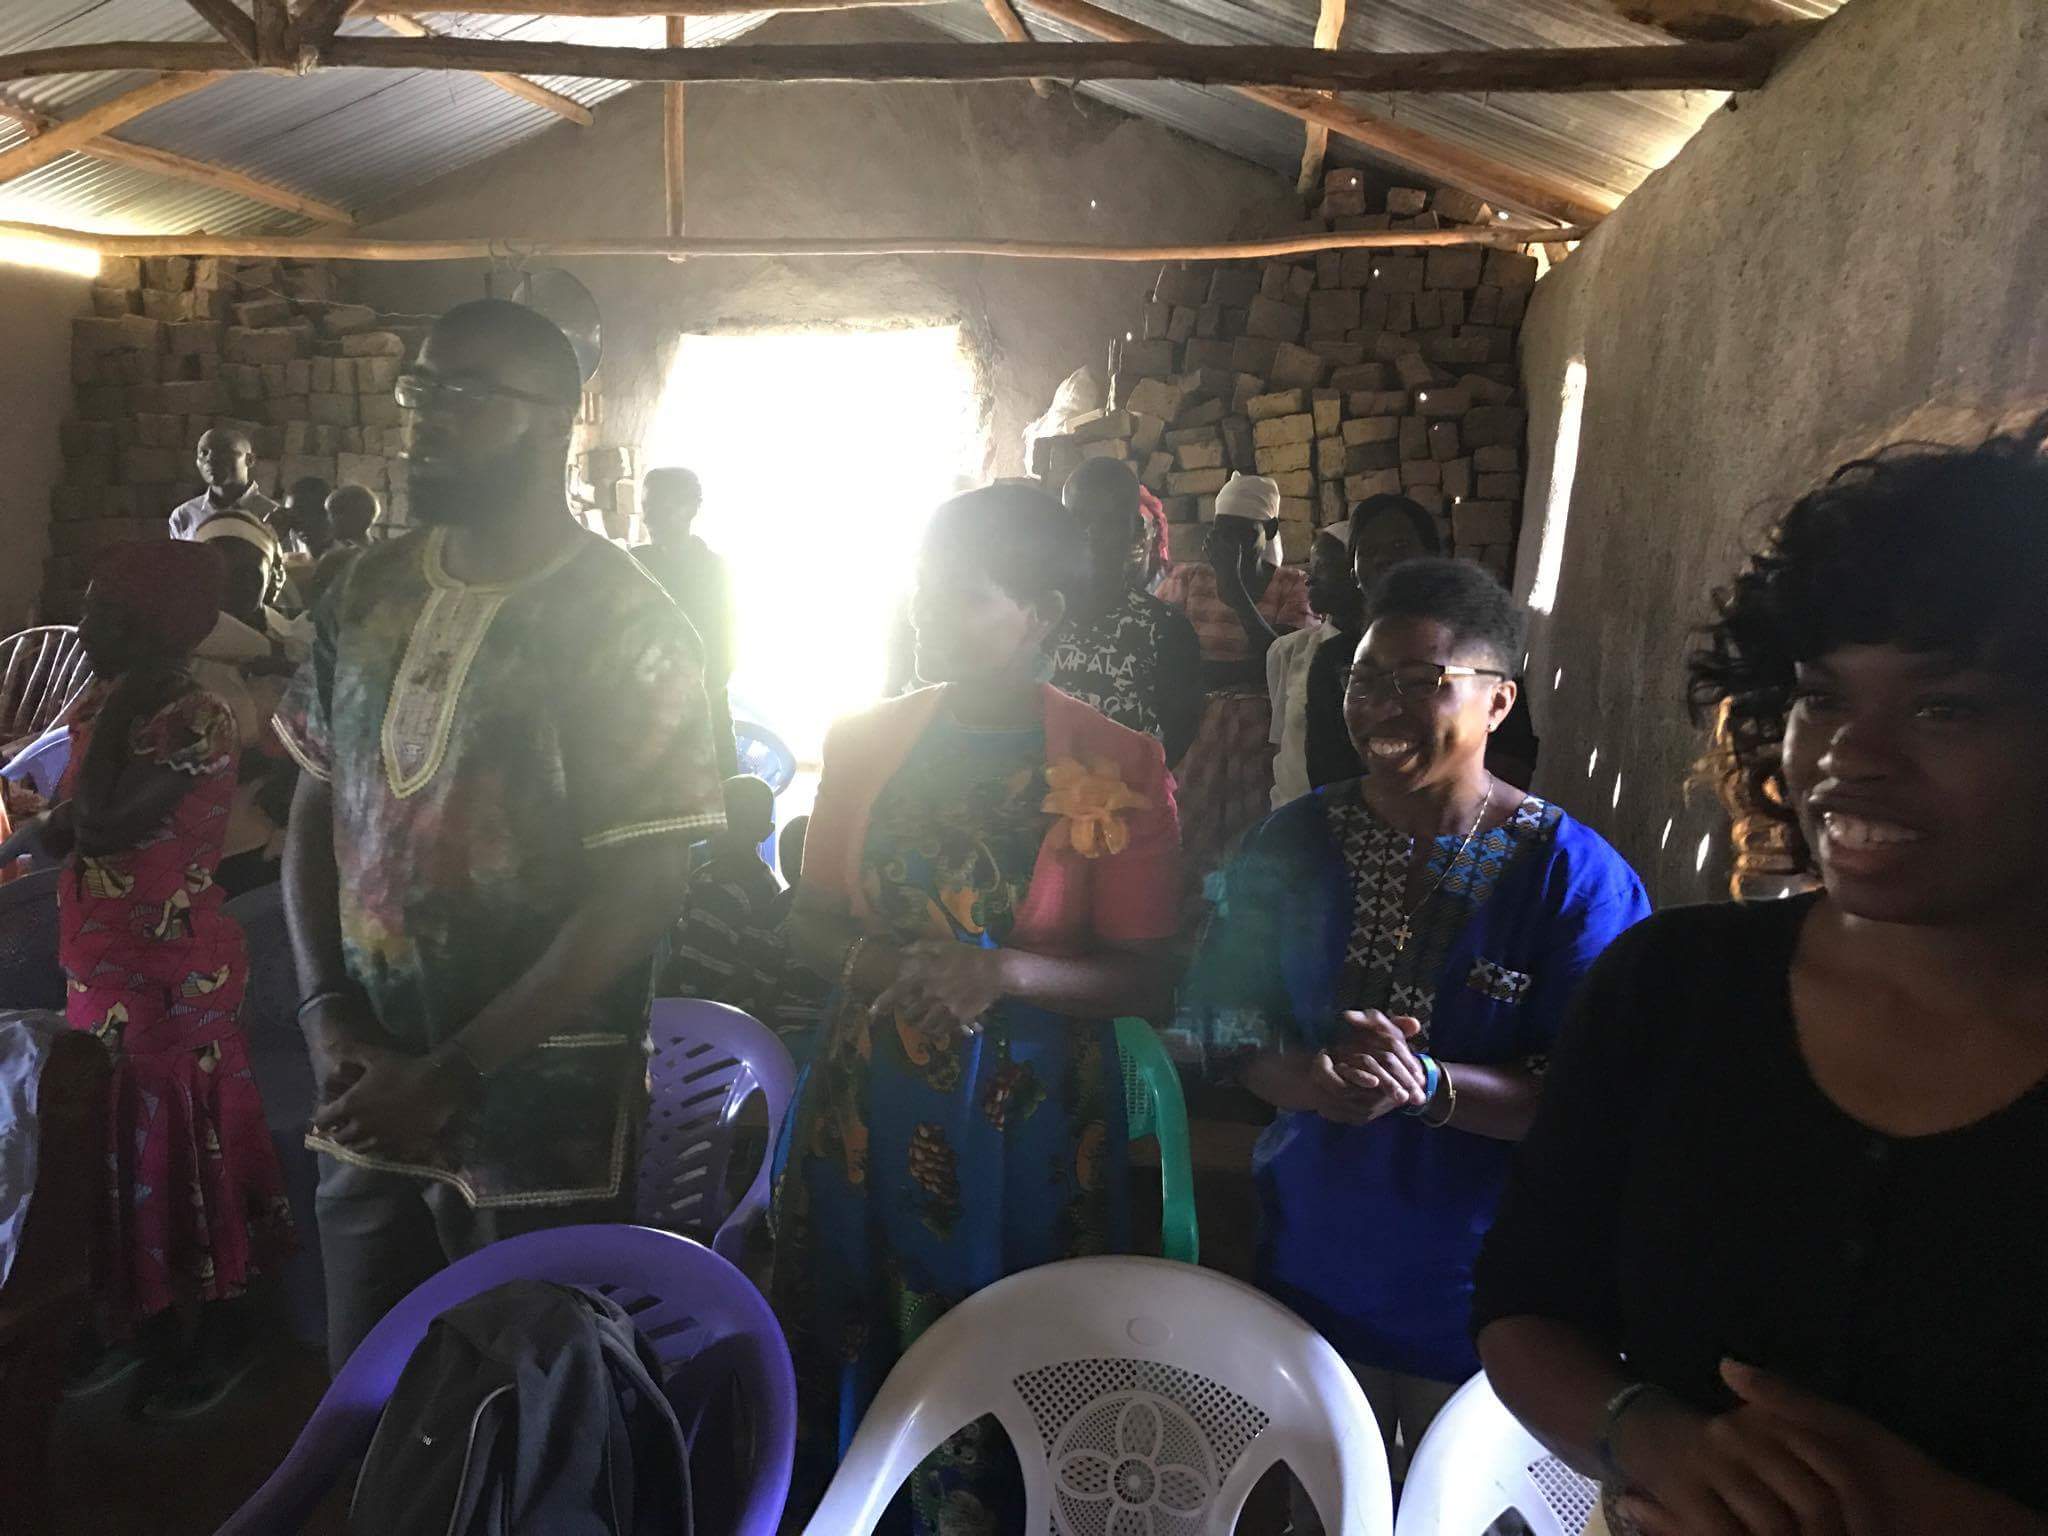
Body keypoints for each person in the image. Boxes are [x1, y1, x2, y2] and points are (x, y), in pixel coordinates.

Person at [1474, 424, 2048, 1536]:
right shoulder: (1673, 992)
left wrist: (1914, 1512)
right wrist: (1652, 1439)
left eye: (1944, 708)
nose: (1849, 758)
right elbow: (1525, 1303)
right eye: (1821, 698)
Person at [274, 299, 725, 1370]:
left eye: (467, 394)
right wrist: (326, 1011)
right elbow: (316, 802)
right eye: (420, 389)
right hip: (365, 1088)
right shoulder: (366, 590)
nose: (426, 417)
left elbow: (644, 889)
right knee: (366, 1402)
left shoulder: (627, 623)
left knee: (520, 1412)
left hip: (534, 1115)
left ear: (555, 420)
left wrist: (453, 1072)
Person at [1179, 557, 1647, 1504]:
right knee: (1320, 1501)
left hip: (1495, 1294)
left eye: (1419, 682)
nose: (1380, 708)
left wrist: (1430, 1088)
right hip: (1313, 1259)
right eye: (1364, 680)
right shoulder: (1290, 846)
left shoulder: (1573, 879)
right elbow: (1227, 1023)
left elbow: (1594, 1101)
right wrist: (1311, 1081)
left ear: (1498, 701)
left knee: (1458, 1503)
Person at [773, 484, 1183, 1533]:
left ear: (1041, 613)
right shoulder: (865, 741)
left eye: (960, 592)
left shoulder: (1117, 762)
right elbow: (806, 923)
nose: (924, 608)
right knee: (858, 1327)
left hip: (1031, 1119)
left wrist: (1008, 976)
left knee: (1015, 1343)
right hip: (867, 1101)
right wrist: (878, 960)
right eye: (922, 584)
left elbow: (1148, 978)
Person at [36, 541, 293, 1418]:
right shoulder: (108, 698)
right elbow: (66, 820)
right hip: (101, 958)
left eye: (101, 609)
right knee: (117, 1140)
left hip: (171, 967)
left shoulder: (197, 714)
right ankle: (136, 1317)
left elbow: (103, 824)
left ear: (150, 625)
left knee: (181, 1144)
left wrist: (111, 724)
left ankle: (219, 1330)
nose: (83, 625)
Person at [1306, 495, 1541, 792]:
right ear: (1353, 571)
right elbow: (1326, 770)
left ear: (1432, 555)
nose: (1383, 559)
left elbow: (1515, 757)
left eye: (1399, 546)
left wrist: (1447, 802)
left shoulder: (1477, 647)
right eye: (1368, 551)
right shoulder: (1333, 660)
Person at [1157, 472, 1312, 901]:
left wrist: (1236, 589)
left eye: (1244, 534)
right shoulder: (1188, 580)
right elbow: (1169, 660)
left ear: (1271, 530)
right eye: (1222, 533)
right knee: (1186, 833)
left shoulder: (1293, 585)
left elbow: (1282, 666)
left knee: (1252, 836)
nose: (1230, 546)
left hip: (1260, 737)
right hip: (1195, 730)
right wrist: (1243, 670)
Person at [1049, 458, 1205, 766]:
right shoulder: (1035, 619)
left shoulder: (1165, 631)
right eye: (1079, 518)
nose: (1091, 532)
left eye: (1108, 521)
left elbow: (1178, 736)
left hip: (1122, 793)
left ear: (1134, 530)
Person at [635, 467, 739, 778]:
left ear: (692, 508)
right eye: (647, 507)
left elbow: (722, 657)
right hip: (643, 719)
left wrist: (680, 700)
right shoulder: (633, 565)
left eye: (662, 508)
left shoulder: (713, 571)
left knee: (717, 796)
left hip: (703, 716)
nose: (650, 519)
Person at [661, 775, 785, 1020]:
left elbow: (753, 964)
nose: (725, 832)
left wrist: (713, 1012)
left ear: (765, 832)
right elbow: (682, 942)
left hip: (724, 1013)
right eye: (721, 821)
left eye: (740, 824)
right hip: (681, 998)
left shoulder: (764, 891)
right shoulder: (702, 877)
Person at [1268, 523, 1367, 808]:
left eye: (1323, 568)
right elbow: (1282, 749)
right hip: (1293, 813)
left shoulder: (1390, 658)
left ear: (1356, 571)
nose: (1309, 579)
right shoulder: (1288, 651)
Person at [190, 513, 312, 662]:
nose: (231, 585)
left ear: (271, 577)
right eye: (218, 573)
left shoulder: (305, 630)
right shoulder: (180, 640)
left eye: (247, 573)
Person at [168, 428, 279, 542]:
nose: (210, 459)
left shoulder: (274, 516)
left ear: (250, 460)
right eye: (204, 453)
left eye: (223, 452)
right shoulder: (184, 515)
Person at [306, 484, 380, 608]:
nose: (328, 520)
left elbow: (316, 608)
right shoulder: (386, 550)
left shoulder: (333, 561)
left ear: (355, 516)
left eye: (334, 513)